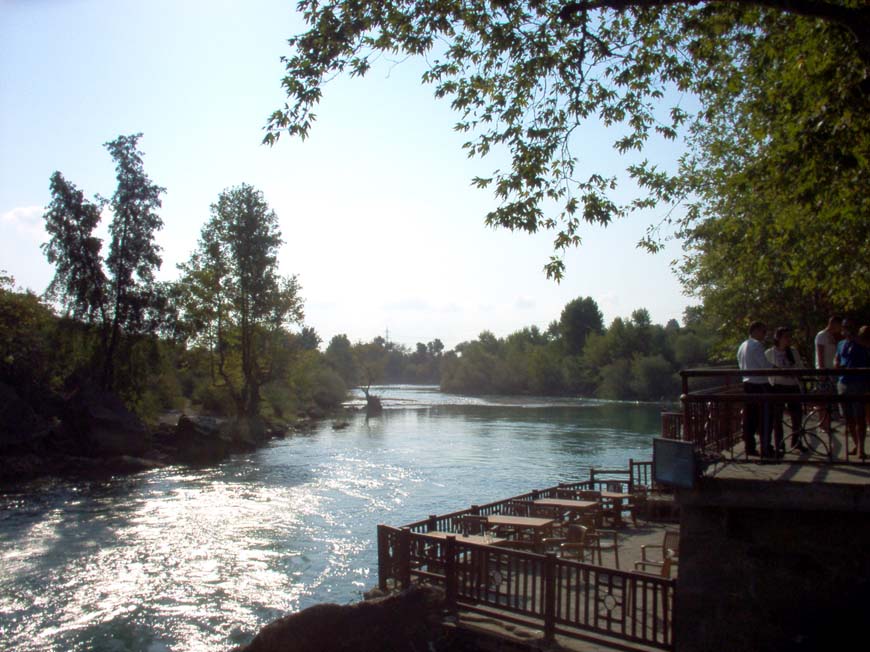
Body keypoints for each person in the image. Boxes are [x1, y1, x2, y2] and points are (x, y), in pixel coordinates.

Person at [766, 327, 807, 455]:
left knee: (797, 416)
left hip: (792, 385)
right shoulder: (769, 353)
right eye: (786, 337)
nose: (789, 339)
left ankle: (796, 442)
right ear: (778, 338)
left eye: (790, 336)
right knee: (777, 417)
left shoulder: (793, 352)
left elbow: (800, 367)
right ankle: (779, 443)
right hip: (777, 386)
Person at [834, 320, 869, 460]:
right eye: (844, 328)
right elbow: (837, 358)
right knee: (848, 418)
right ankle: (856, 444)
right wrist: (837, 365)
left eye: (849, 328)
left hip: (858, 382)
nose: (846, 331)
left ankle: (861, 448)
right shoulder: (841, 344)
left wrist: (856, 339)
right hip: (843, 382)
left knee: (859, 416)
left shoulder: (861, 343)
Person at [738, 321, 771, 457]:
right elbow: (764, 365)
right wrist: (777, 369)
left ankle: (750, 447)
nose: (765, 335)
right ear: (755, 331)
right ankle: (765, 447)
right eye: (763, 332)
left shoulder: (742, 346)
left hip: (747, 383)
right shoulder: (756, 345)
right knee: (765, 417)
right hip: (759, 384)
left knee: (750, 417)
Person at [814, 316, 843, 431]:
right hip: (824, 370)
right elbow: (820, 353)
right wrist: (821, 370)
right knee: (823, 398)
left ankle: (828, 423)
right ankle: (823, 423)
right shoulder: (821, 335)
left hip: (832, 370)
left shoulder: (833, 336)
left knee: (831, 398)